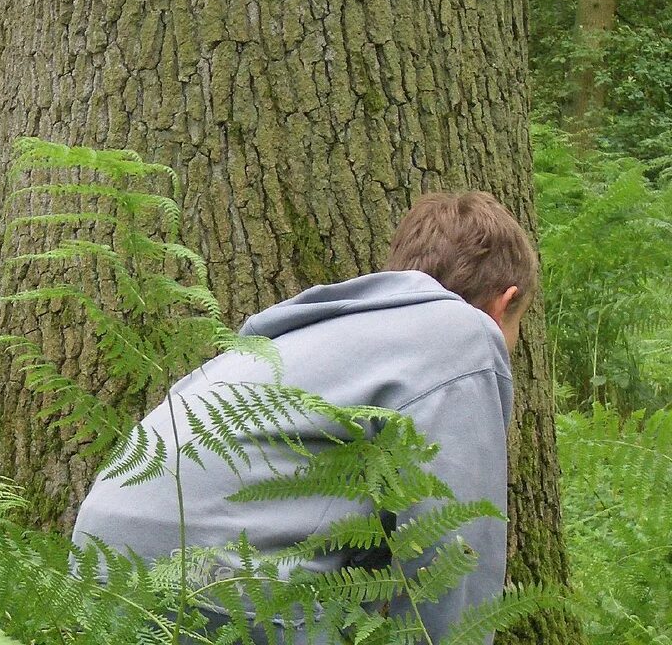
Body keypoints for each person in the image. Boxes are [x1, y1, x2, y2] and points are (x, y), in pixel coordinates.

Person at [71, 191, 538, 644]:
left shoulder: (304, 334)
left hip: (96, 564)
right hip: (225, 586)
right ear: (504, 302)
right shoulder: (465, 336)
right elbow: (453, 552)